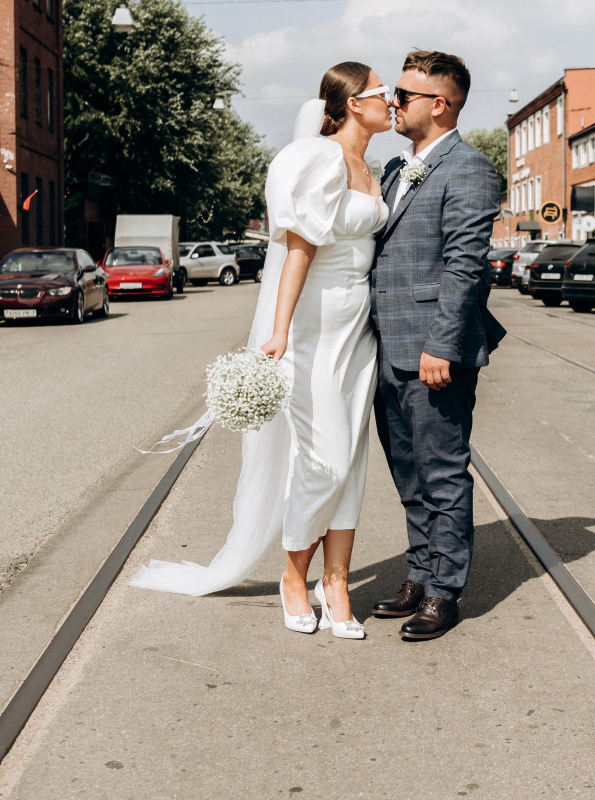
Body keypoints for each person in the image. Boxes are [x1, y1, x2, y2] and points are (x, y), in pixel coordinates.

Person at [130, 62, 392, 640]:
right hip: (312, 328)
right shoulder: (318, 159)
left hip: (358, 332)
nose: (392, 100)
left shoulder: (370, 167)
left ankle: (338, 581)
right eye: (382, 92)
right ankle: (294, 576)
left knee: (350, 459)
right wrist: (278, 330)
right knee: (321, 459)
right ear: (352, 103)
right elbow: (298, 252)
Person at [370, 50, 505, 640]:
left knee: (442, 473)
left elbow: (464, 267)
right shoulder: (397, 170)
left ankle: (445, 592)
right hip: (383, 348)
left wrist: (440, 346)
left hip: (430, 350)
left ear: (440, 104)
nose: (393, 103)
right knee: (407, 473)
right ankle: (420, 573)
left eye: (403, 94)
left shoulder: (469, 168)